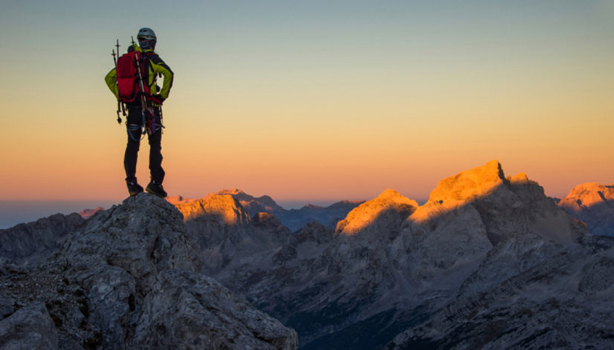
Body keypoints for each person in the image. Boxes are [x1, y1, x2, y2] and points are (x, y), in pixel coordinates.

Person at [105, 27, 174, 198]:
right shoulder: (151, 59)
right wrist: (160, 97)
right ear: (151, 42)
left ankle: (131, 184)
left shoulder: (128, 60)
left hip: (132, 109)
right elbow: (168, 74)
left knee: (132, 146)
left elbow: (109, 78)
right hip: (150, 107)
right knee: (155, 145)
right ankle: (155, 183)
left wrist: (121, 96)